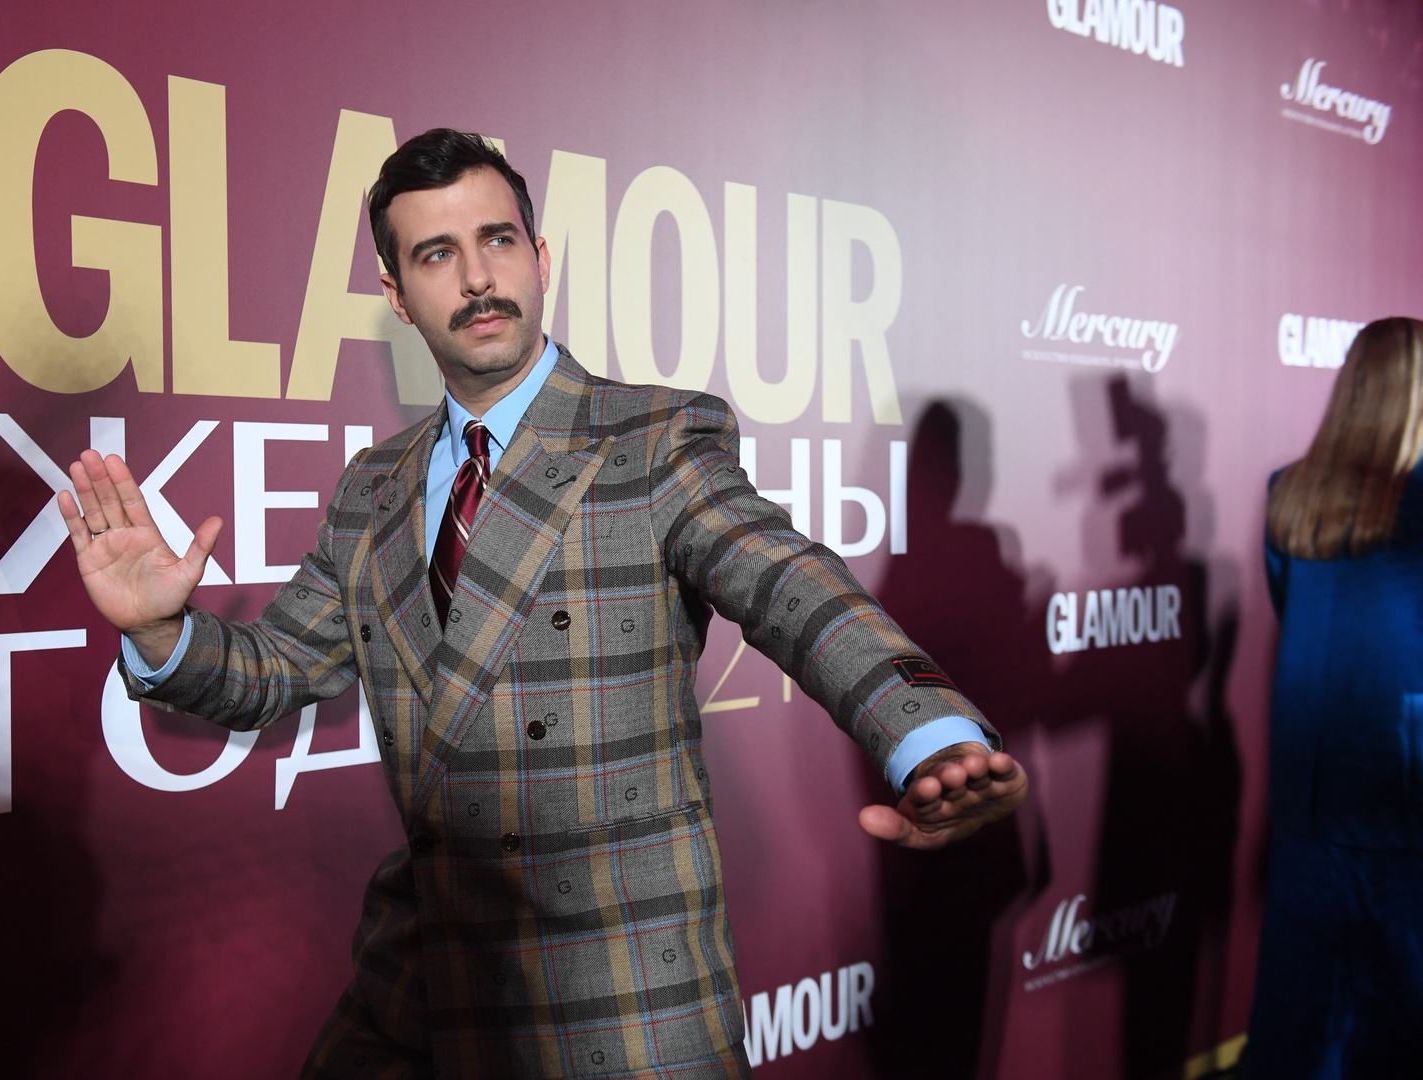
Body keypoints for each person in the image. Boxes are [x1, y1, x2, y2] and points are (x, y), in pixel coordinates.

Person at [58, 129, 1027, 1078]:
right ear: (396, 295)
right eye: (438, 254)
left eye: (498, 240)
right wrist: (159, 630)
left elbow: (788, 583)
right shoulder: (373, 487)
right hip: (419, 986)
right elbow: (278, 668)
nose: (479, 278)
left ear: (541, 257)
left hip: (617, 1004)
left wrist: (926, 734)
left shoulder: (653, 438)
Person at [1246, 316, 1423, 1078]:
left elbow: (1289, 606)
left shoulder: (1291, 490)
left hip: (1311, 794)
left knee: (1303, 1015)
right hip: (1401, 798)